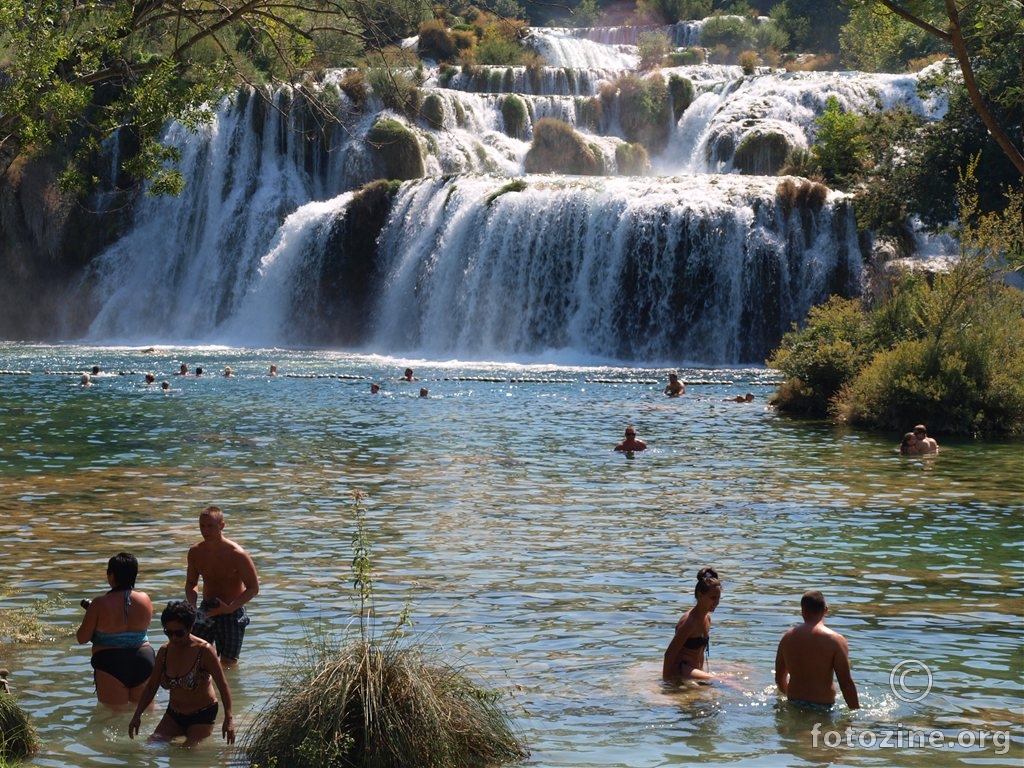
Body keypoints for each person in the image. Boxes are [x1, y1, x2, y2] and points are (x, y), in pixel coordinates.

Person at [128, 601, 234, 746]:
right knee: (151, 746)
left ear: (190, 628)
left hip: (202, 715)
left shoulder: (204, 651)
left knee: (187, 754)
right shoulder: (164, 652)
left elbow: (223, 685)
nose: (174, 638)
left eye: (179, 633)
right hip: (174, 715)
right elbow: (152, 686)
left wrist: (229, 718)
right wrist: (137, 715)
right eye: (168, 633)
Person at [76, 553, 156, 706]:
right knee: (145, 713)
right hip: (143, 659)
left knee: (112, 717)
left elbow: (82, 638)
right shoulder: (145, 599)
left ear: (111, 576)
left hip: (110, 661)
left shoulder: (99, 603)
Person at [185, 506, 259, 666]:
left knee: (228, 663)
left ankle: (227, 689)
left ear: (222, 526)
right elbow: (191, 583)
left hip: (232, 610)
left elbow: (253, 588)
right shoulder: (195, 552)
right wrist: (192, 606)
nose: (205, 530)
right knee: (193, 655)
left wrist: (230, 608)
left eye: (210, 526)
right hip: (207, 609)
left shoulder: (237, 554)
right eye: (202, 526)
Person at [774, 590, 859, 710]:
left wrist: (789, 697)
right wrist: (855, 716)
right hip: (823, 707)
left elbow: (779, 678)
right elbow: (846, 683)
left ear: (802, 611)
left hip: (794, 704)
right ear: (825, 609)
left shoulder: (787, 638)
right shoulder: (835, 640)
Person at [663, 567, 722, 683]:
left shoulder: (707, 619)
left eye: (718, 598)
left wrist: (702, 674)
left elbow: (698, 653)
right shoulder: (689, 623)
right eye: (712, 598)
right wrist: (666, 682)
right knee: (723, 681)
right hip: (682, 670)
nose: (716, 603)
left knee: (739, 673)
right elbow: (669, 654)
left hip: (695, 671)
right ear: (700, 596)